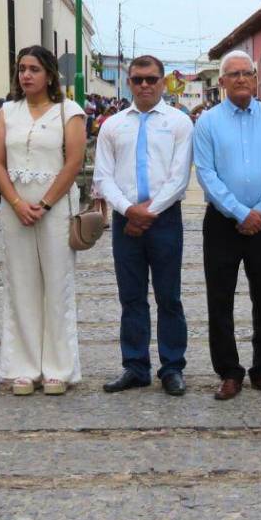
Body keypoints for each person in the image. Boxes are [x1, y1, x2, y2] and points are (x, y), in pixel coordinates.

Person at [194, 50, 261, 401]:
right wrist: (240, 212)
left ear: (255, 78)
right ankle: (229, 372)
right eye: (232, 74)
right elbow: (206, 174)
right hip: (222, 223)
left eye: (246, 73)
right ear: (221, 82)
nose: (240, 79)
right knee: (219, 299)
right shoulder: (207, 122)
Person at [0, 47, 85, 396]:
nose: (26, 75)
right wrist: (16, 203)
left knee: (57, 285)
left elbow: (73, 162)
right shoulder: (6, 112)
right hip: (16, 209)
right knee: (22, 284)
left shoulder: (68, 112)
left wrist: (43, 203)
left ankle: (59, 366)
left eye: (34, 69)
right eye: (21, 69)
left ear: (49, 75)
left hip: (54, 207)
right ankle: (24, 367)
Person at [94, 55, 193, 397]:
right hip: (126, 220)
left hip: (165, 219)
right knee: (132, 297)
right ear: (128, 83)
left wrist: (149, 213)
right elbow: (103, 176)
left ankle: (172, 367)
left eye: (151, 79)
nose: (145, 85)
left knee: (169, 297)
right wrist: (128, 210)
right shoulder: (112, 125)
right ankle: (135, 366)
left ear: (163, 83)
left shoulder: (179, 123)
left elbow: (179, 178)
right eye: (138, 80)